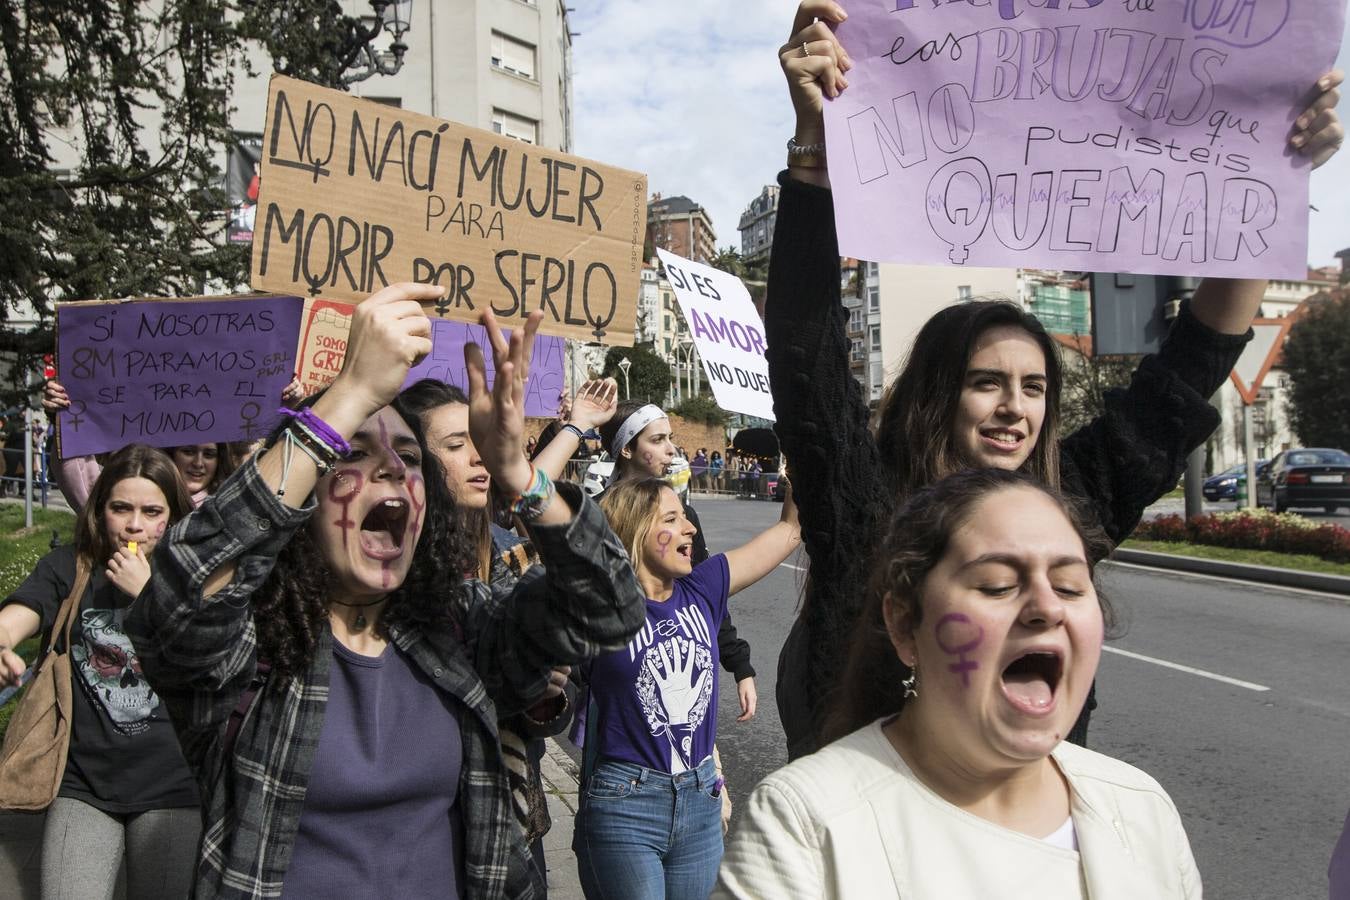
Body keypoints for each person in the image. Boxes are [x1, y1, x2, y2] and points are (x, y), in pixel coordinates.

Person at [768, 0, 1347, 760]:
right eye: (987, 382)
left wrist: (1273, 167)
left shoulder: (1073, 494)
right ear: (935, 397)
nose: (1015, 407)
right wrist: (813, 142)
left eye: (1035, 387)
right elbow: (806, 349)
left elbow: (1190, 366)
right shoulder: (865, 501)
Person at [124, 287, 647, 899]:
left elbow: (610, 605)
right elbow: (183, 595)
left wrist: (520, 477)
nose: (394, 471)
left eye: (407, 457)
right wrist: (348, 394)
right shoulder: (251, 646)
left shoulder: (458, 627)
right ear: (305, 494)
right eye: (354, 454)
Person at [716, 468, 1203, 899]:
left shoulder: (1142, 809)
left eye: (1071, 586)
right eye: (996, 585)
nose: (1047, 608)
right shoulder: (804, 824)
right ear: (907, 624)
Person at [399, 375, 617, 895]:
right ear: (410, 461)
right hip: (429, 828)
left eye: (483, 442)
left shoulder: (511, 555)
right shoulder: (391, 575)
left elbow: (551, 708)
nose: (480, 458)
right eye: (456, 445)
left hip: (514, 820)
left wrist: (545, 694)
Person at [576, 476, 801, 900]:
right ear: (637, 531)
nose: (690, 528)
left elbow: (789, 531)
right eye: (672, 518)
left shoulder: (702, 588)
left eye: (686, 516)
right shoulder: (600, 605)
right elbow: (539, 514)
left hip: (700, 801)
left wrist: (799, 469)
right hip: (626, 806)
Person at [0, 444, 200, 900]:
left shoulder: (195, 573)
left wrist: (149, 596)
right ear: (99, 510)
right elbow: (21, 611)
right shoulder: (70, 565)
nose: (134, 525)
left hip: (175, 788)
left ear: (174, 514)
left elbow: (211, 657)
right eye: (120, 508)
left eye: (152, 512)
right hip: (82, 787)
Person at [597, 400, 759, 724]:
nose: (671, 450)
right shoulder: (594, 517)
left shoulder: (686, 519)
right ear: (626, 449)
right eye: (657, 440)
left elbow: (706, 596)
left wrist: (739, 665)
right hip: (616, 688)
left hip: (678, 681)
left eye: (669, 438)